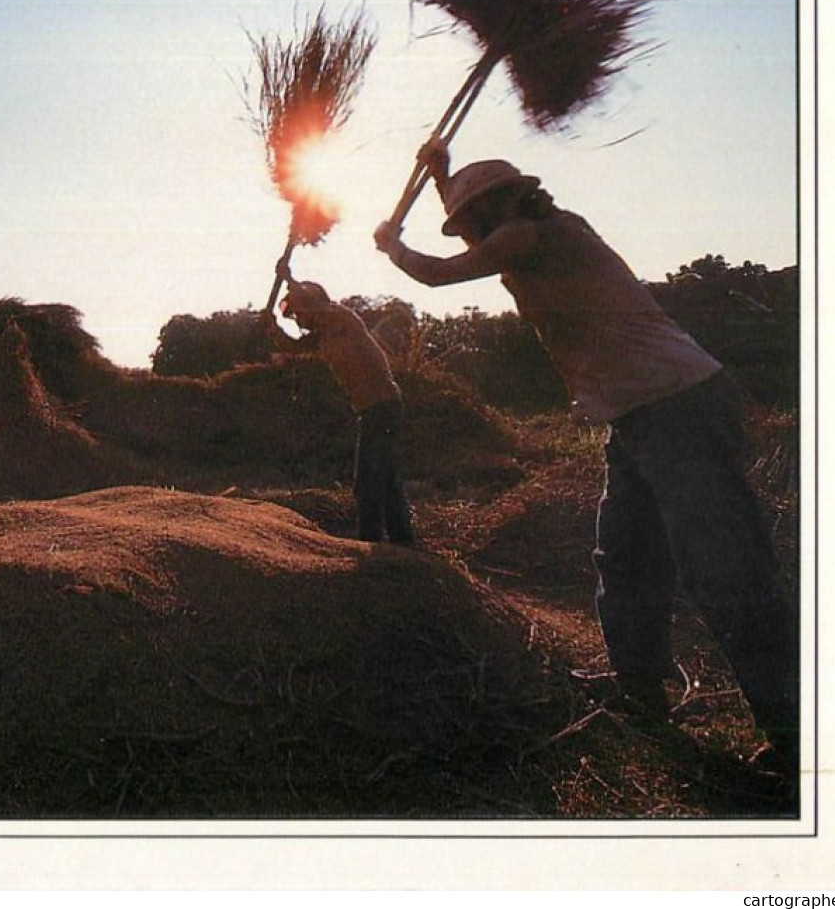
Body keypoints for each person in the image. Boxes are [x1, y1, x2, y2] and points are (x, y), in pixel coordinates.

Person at [373, 137, 798, 774]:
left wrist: (393, 247)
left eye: (472, 219)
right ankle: (640, 691)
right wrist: (442, 176)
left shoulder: (539, 232)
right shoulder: (517, 237)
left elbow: (442, 273)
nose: (471, 234)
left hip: (679, 404)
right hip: (635, 415)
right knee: (626, 556)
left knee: (726, 566)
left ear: (506, 203)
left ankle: (795, 731)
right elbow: (478, 243)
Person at [264, 265, 413, 545]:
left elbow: (312, 304)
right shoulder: (320, 336)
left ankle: (371, 542)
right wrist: (272, 328)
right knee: (387, 480)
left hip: (382, 407)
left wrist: (289, 278)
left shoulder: (340, 317)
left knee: (368, 482)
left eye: (298, 311)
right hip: (373, 410)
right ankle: (402, 543)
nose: (298, 318)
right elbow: (291, 347)